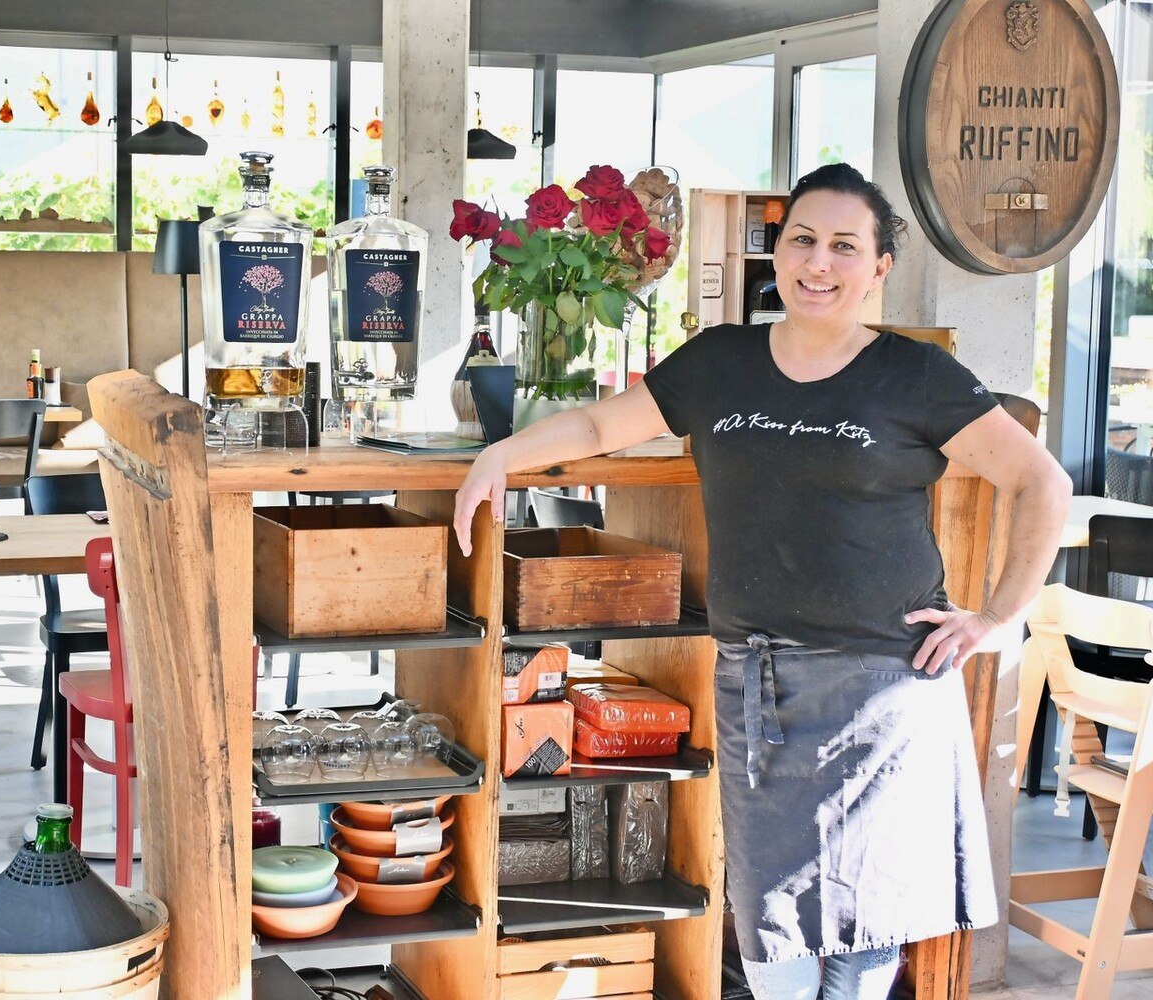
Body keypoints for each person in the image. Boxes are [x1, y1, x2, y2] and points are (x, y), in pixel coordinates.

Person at [453, 162, 1071, 1000]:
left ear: (879, 267)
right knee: (773, 930)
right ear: (776, 254)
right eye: (803, 241)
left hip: (888, 685)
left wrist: (999, 618)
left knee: (863, 941)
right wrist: (500, 454)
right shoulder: (721, 362)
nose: (820, 263)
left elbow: (1042, 482)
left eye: (845, 247)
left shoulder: (916, 377)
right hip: (760, 681)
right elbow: (605, 421)